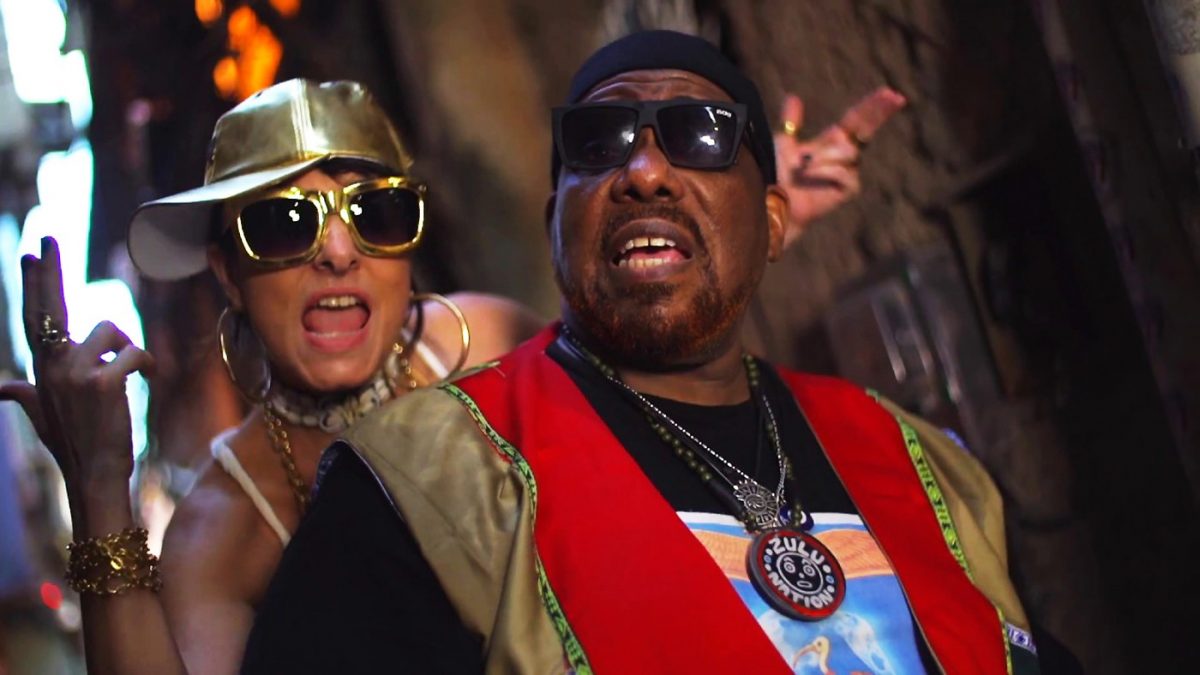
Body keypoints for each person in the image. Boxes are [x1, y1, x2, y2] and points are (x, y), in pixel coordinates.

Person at [0, 62, 903, 675]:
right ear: (228, 273)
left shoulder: (495, 336)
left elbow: (646, 375)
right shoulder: (223, 527)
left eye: (377, 214)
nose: (339, 253)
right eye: (283, 224)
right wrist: (100, 486)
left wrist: (752, 222)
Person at [240, 31, 1040, 675]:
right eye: (598, 143)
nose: (647, 171)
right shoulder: (418, 486)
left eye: (701, 136)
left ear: (773, 221)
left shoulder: (924, 463)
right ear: (555, 225)